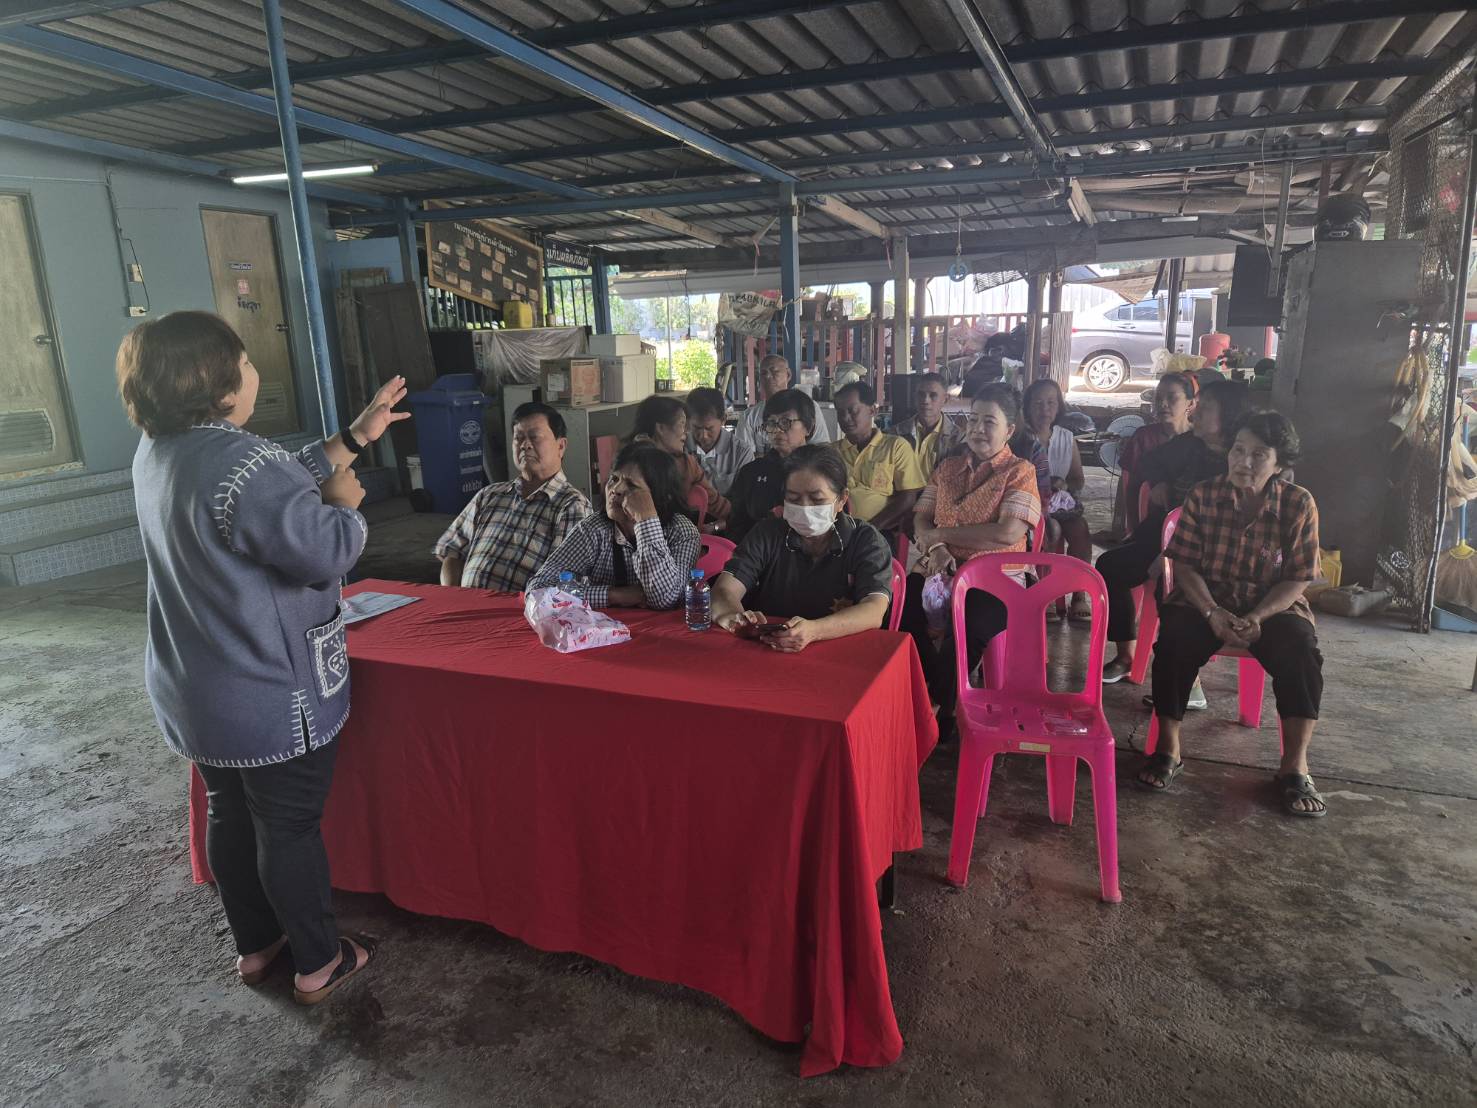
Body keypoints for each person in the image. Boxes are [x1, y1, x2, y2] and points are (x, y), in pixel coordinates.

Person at [119, 311, 406, 1004]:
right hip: (269, 692)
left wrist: (351, 438)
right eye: (244, 362)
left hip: (198, 690)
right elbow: (323, 550)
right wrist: (345, 507)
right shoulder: (242, 464)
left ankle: (256, 948)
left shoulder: (158, 452)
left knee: (229, 812)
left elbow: (268, 487)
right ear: (216, 383)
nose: (253, 372)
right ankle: (317, 961)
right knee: (288, 827)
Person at [1141, 412, 1327, 818]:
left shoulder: (1298, 504)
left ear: (1279, 464)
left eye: (1259, 454)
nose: (1244, 461)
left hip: (1272, 606)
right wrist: (1210, 610)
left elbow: (1298, 578)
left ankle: (1295, 765)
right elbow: (1185, 565)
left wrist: (1259, 615)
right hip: (1208, 598)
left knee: (1301, 652)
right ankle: (1168, 746)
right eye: (1239, 450)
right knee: (1173, 642)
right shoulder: (1204, 496)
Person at [1098, 379, 1253, 688]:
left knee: (1171, 589)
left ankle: (1186, 680)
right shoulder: (1190, 444)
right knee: (1109, 567)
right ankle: (1126, 655)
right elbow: (1150, 461)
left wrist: (1169, 555)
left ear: (1228, 414)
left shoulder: (1240, 462)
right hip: (1161, 536)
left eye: (1204, 407)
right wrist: (1159, 482)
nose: (1194, 414)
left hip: (1209, 552)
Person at [907, 383, 1041, 731]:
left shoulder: (1019, 471)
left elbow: (1007, 533)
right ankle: (934, 692)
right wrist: (935, 546)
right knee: (897, 607)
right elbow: (921, 516)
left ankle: (939, 705)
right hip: (941, 567)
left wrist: (941, 536)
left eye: (989, 422)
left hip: (997, 578)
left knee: (971, 624)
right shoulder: (948, 467)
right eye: (973, 419)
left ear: (1009, 430)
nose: (978, 429)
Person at [711, 444, 893, 652]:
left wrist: (814, 631)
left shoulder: (865, 540)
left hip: (842, 655)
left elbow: (873, 609)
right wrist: (734, 618)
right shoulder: (767, 534)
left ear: (841, 499)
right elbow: (724, 590)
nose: (805, 508)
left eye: (817, 499)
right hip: (772, 650)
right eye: (794, 499)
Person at [435, 402, 590, 591]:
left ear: (561, 446)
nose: (525, 445)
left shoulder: (571, 506)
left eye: (535, 437)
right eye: (519, 438)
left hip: (521, 615)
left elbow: (565, 583)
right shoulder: (489, 495)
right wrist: (452, 596)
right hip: (466, 607)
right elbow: (452, 552)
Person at [528, 442, 700, 610]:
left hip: (664, 633)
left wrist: (646, 520)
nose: (615, 489)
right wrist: (614, 595)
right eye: (614, 478)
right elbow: (537, 590)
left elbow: (666, 598)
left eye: (631, 485)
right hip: (602, 632)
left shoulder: (681, 532)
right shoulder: (594, 529)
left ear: (661, 497)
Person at [1021, 378, 1093, 621]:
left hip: (1060, 506)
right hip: (1030, 506)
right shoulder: (1019, 438)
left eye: (1051, 403)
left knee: (1080, 530)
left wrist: (1063, 484)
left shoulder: (1066, 437)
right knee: (1050, 530)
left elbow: (1078, 480)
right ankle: (1047, 595)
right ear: (1028, 407)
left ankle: (1080, 594)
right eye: (1038, 403)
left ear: (1059, 406)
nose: (1045, 409)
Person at [833, 380, 926, 535]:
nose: (846, 418)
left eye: (852, 411)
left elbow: (908, 498)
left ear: (872, 411)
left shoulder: (895, 447)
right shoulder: (831, 452)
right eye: (840, 412)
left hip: (880, 531)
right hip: (838, 531)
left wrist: (868, 530)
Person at [725, 388, 815, 542]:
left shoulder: (822, 472)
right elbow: (736, 525)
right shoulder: (751, 472)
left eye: (786, 422)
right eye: (772, 423)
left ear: (808, 427)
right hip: (757, 556)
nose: (777, 430)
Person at [628, 394, 731, 528]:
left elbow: (717, 504)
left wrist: (737, 518)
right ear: (660, 428)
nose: (687, 432)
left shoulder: (687, 464)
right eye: (682, 424)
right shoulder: (630, 463)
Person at [1117, 371, 1197, 533]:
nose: (1163, 404)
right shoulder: (1143, 437)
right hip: (1149, 520)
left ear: (1191, 403)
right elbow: (1129, 486)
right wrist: (1126, 527)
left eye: (1172, 397)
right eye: (1158, 398)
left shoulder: (1199, 439)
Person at [736, 354, 834, 456]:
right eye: (763, 373)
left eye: (774, 372)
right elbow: (745, 458)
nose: (768, 376)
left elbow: (823, 448)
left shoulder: (808, 406)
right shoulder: (748, 416)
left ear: (788, 374)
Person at [895, 371, 966, 476]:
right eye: (921, 394)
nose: (925, 400)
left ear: (945, 399)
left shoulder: (957, 439)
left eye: (933, 395)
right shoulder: (896, 434)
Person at [686, 386, 753, 496]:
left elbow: (744, 498)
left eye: (709, 428)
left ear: (723, 420)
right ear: (687, 421)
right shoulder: (679, 448)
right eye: (697, 428)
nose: (704, 436)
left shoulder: (742, 453)